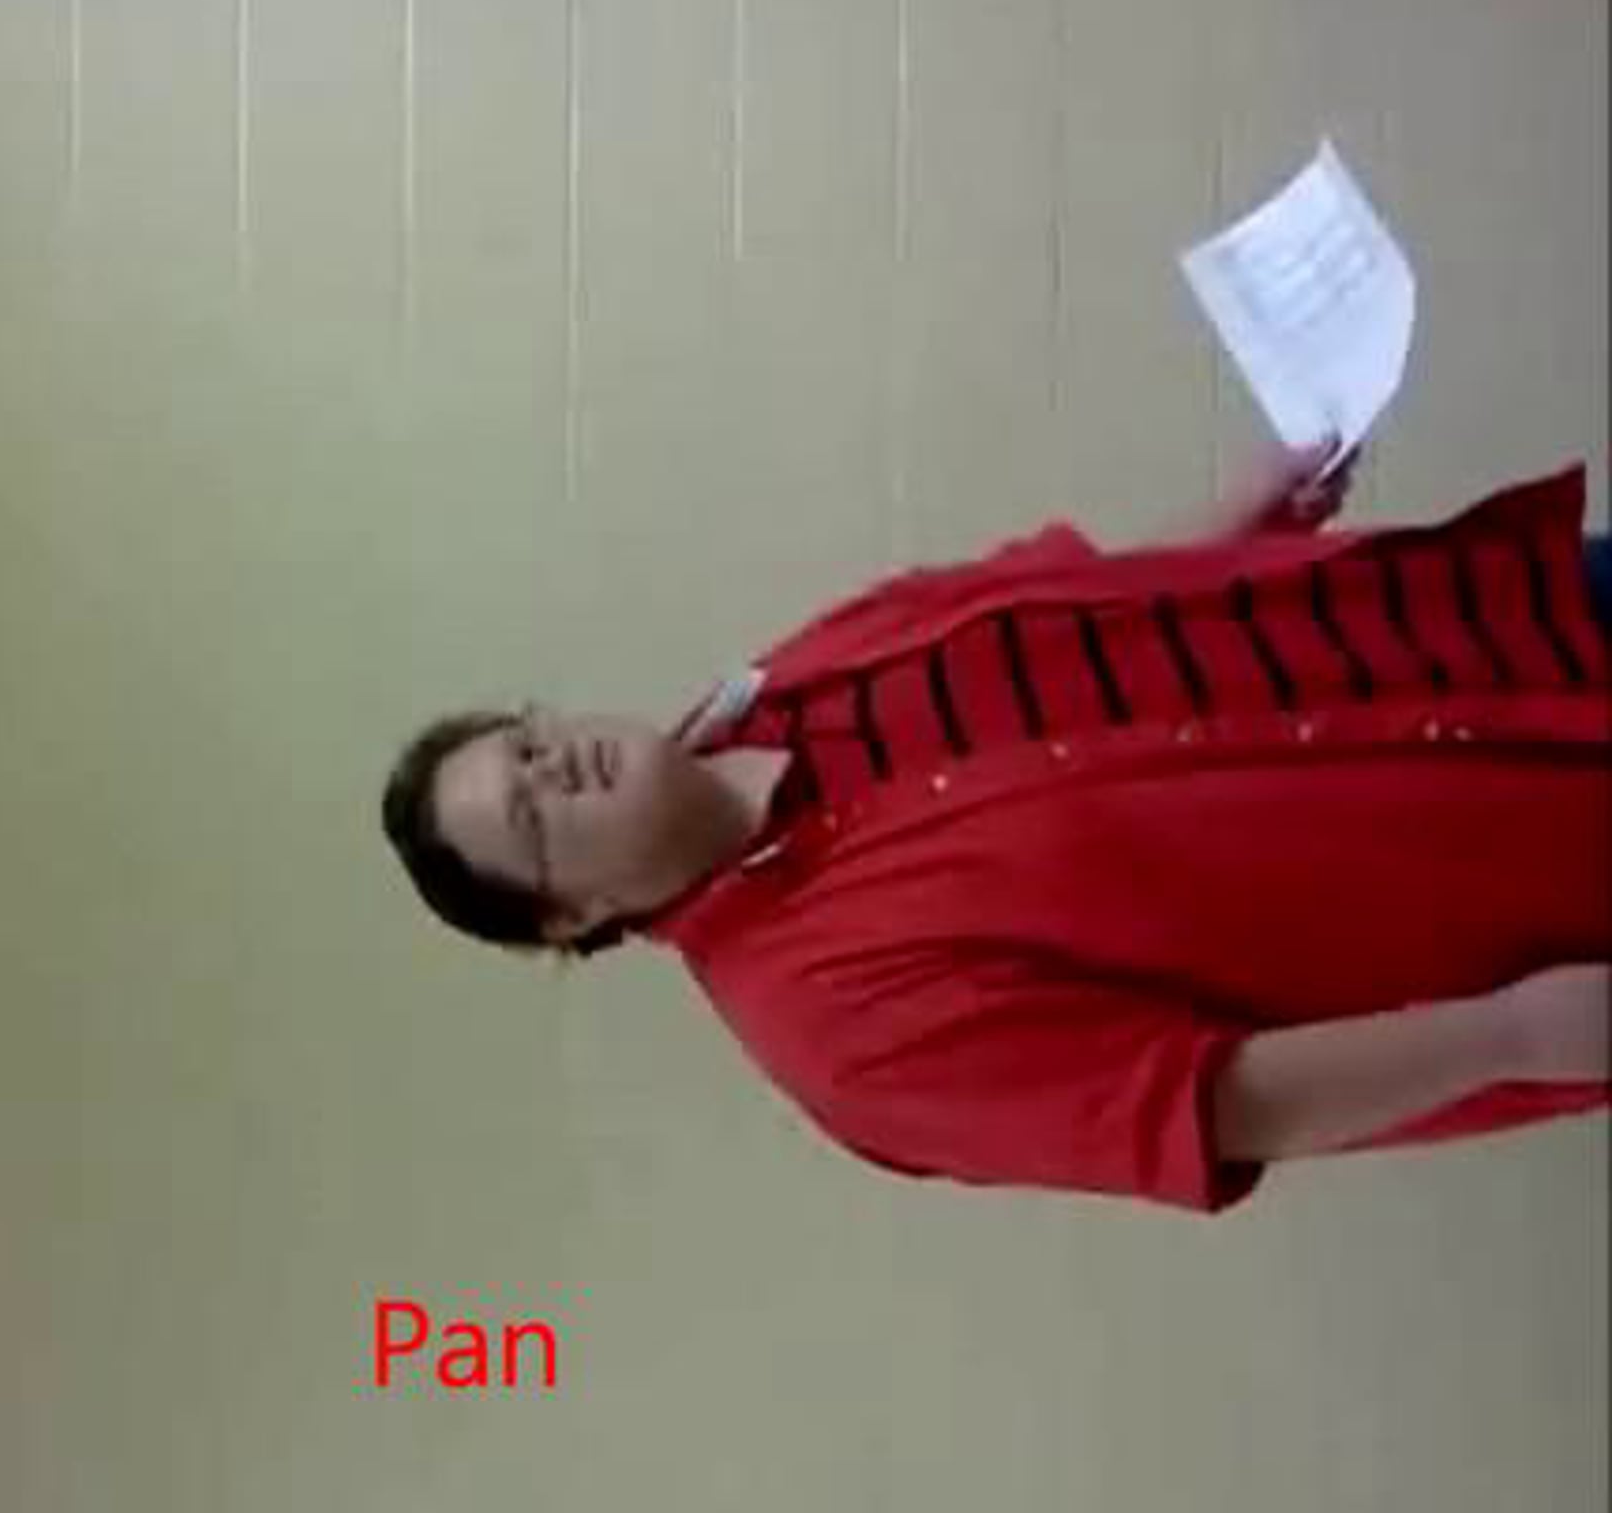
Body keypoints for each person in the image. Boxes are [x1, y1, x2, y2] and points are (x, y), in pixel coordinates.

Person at [381, 439, 1612, 1214]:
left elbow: (1071, 612)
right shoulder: (837, 1035)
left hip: (1504, 620)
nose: (557, 766)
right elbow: (1209, 1102)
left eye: (527, 744)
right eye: (533, 816)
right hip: (1541, 861)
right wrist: (1509, 1034)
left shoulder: (795, 670)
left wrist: (1239, 518)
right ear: (571, 915)